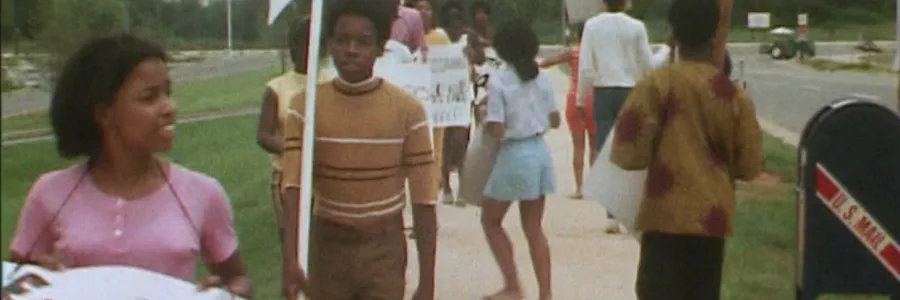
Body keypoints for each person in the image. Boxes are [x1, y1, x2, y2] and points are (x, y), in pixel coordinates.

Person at [7, 34, 251, 297]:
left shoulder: (202, 193)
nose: (169, 108)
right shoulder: (50, 193)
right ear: (104, 113)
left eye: (167, 93)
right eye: (149, 97)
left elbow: (239, 280)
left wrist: (224, 293)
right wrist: (39, 279)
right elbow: (13, 281)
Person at [279, 0, 438, 299]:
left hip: (384, 249)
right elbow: (293, 189)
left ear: (381, 47)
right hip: (328, 247)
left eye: (363, 42)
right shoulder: (305, 108)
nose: (351, 50)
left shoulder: (408, 111)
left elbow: (424, 200)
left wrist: (427, 280)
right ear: (329, 43)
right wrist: (290, 259)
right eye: (342, 40)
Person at [609, 0, 764, 298]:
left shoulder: (654, 85)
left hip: (663, 214)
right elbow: (750, 165)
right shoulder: (733, 95)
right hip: (711, 219)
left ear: (671, 33)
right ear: (714, 35)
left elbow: (628, 155)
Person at [481, 18, 558, 300]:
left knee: (490, 220)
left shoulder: (500, 80)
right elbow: (555, 119)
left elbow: (497, 129)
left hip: (515, 154)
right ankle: (545, 293)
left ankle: (512, 284)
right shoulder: (542, 77)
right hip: (540, 151)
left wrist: (483, 119)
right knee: (534, 228)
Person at [577, 0, 655, 234]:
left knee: (606, 150)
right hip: (630, 89)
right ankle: (632, 207)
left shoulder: (592, 26)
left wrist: (581, 98)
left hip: (603, 90)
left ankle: (611, 214)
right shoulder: (637, 27)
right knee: (633, 148)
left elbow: (586, 66)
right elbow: (647, 63)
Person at [256, 17, 325, 240]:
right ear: (291, 45)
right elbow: (264, 135)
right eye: (299, 43)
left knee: (321, 243)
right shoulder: (276, 88)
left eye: (311, 42)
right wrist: (295, 151)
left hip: (324, 176)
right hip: (287, 176)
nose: (305, 49)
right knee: (292, 242)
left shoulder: (329, 83)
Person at [539, 21, 597, 200]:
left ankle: (579, 188)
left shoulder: (572, 52)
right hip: (594, 98)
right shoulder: (597, 54)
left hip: (575, 98)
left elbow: (548, 62)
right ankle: (595, 188)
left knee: (578, 147)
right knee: (595, 147)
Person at [436, 0, 483, 207]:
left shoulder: (469, 36)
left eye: (458, 20)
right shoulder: (438, 37)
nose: (456, 25)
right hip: (440, 96)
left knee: (461, 141)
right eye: (451, 21)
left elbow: (481, 58)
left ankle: (462, 187)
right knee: (444, 141)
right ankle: (446, 186)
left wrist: (473, 55)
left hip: (463, 95)